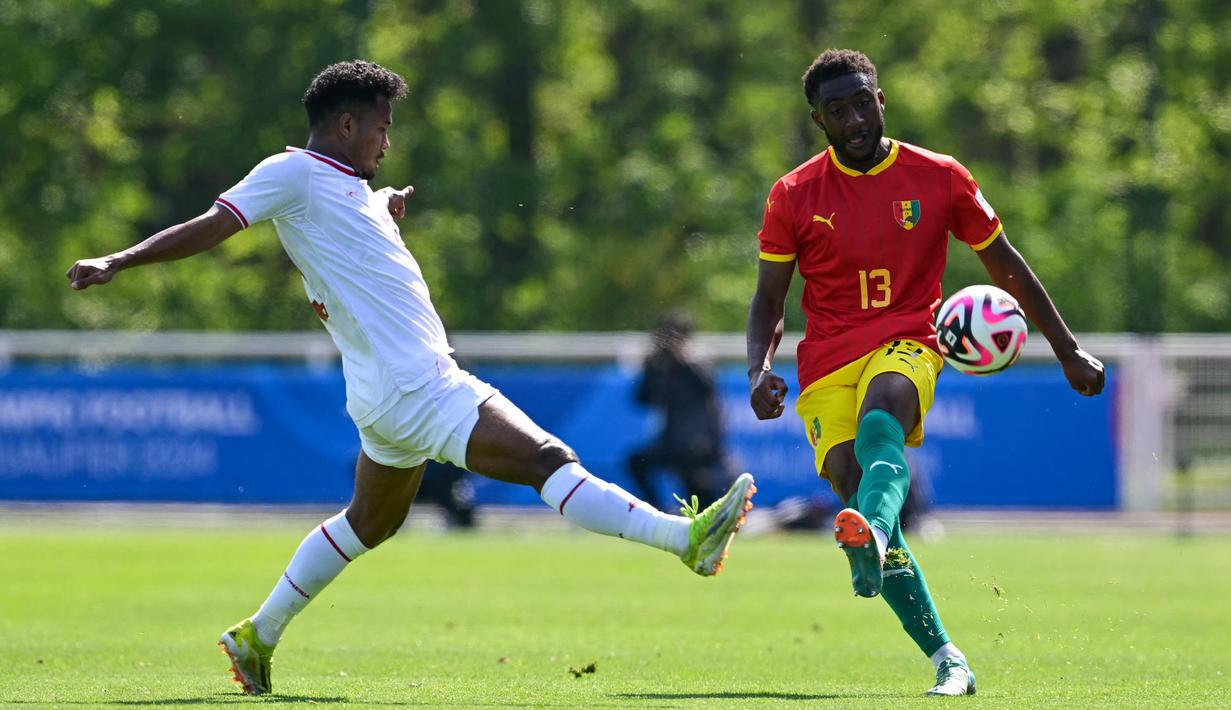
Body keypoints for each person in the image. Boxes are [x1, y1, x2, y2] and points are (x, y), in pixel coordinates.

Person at [66, 60, 757, 696]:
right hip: (417, 385)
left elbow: (345, 254)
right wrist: (119, 261)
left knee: (369, 522)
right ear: (345, 124)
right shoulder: (292, 172)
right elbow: (215, 224)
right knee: (548, 459)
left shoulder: (350, 193)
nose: (385, 142)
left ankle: (256, 635)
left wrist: (384, 209)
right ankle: (683, 541)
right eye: (381, 127)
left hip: (381, 395)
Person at [745, 49, 1104, 697]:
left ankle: (874, 533)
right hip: (826, 363)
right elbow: (768, 300)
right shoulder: (793, 195)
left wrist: (1066, 348)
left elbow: (1005, 265)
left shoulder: (937, 177)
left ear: (880, 99)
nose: (854, 118)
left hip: (909, 338)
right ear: (817, 121)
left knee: (885, 415)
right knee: (853, 485)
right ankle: (948, 658)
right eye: (836, 110)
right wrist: (757, 369)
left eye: (861, 102)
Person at [627, 313, 733, 511]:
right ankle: (655, 509)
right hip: (670, 443)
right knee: (636, 462)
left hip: (696, 446)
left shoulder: (695, 364)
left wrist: (683, 359)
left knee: (700, 502)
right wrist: (650, 368)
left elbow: (707, 386)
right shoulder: (660, 368)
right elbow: (642, 399)